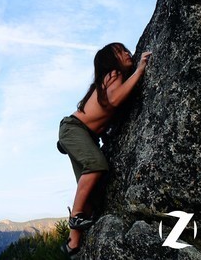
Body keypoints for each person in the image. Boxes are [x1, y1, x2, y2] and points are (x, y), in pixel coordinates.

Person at [58, 43, 151, 256]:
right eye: (121, 52)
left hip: (81, 135)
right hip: (74, 130)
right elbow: (115, 99)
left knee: (91, 198)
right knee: (96, 165)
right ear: (111, 60)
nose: (128, 53)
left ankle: (72, 245)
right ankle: (76, 217)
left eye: (127, 50)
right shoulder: (114, 74)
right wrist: (139, 70)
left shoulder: (109, 80)